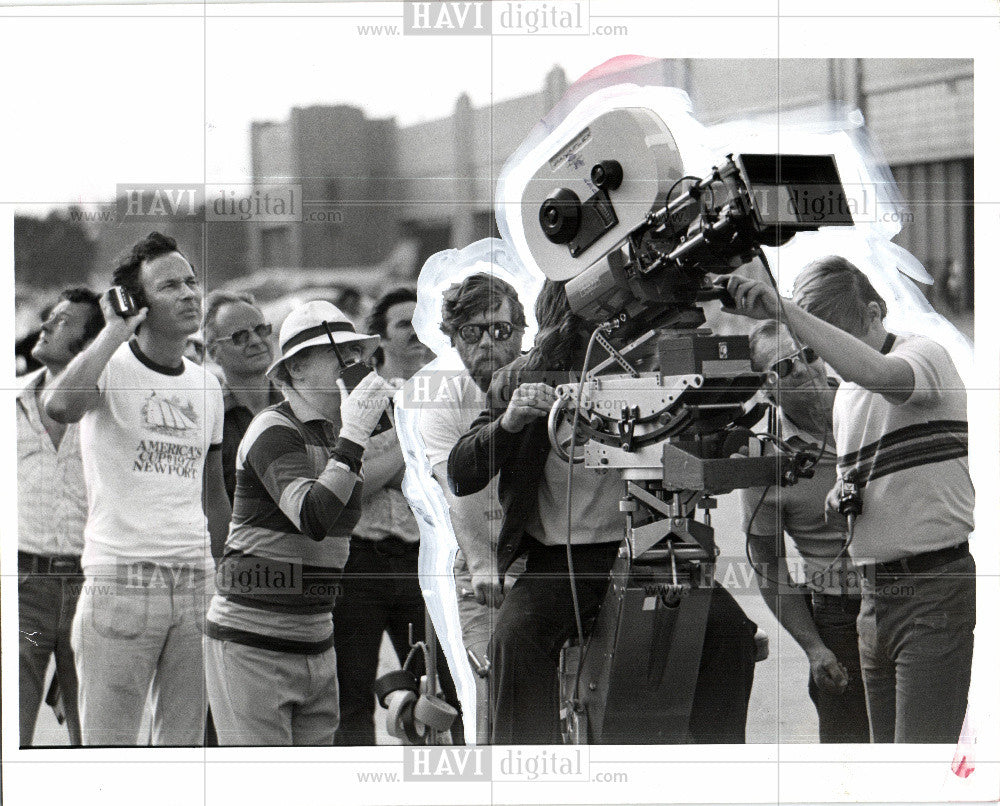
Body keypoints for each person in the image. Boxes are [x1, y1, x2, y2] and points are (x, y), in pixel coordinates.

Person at [448, 279, 758, 745]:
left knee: (730, 635)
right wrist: (510, 423)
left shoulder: (659, 366)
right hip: (564, 561)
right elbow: (462, 471)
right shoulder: (519, 378)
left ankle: (713, 769)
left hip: (649, 548)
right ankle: (524, 776)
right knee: (515, 643)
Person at [722, 256, 975, 743]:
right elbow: (773, 555)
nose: (825, 360)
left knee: (915, 767)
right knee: (876, 768)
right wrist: (841, 494)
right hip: (870, 599)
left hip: (931, 585)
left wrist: (787, 311)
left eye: (826, 342)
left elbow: (880, 374)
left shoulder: (925, 354)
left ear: (877, 311)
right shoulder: (847, 401)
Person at [43, 232, 231, 746]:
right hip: (121, 580)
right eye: (170, 285)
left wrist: (224, 571)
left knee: (184, 749)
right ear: (138, 302)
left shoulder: (208, 384)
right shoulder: (109, 367)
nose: (190, 293)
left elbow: (211, 491)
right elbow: (60, 408)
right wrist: (112, 332)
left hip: (196, 582)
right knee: (110, 751)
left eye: (191, 280)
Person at [203, 301, 395, 745]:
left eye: (357, 354)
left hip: (315, 641)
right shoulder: (273, 428)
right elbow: (314, 515)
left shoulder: (337, 435)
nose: (355, 365)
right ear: (298, 368)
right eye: (341, 355)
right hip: (252, 643)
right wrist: (355, 437)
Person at [333, 288, 463, 745]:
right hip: (361, 561)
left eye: (422, 322)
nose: (416, 333)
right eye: (404, 324)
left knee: (446, 689)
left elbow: (454, 478)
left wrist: (393, 463)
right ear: (380, 338)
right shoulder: (355, 394)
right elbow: (351, 484)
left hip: (421, 558)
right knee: (351, 696)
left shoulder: (447, 392)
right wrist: (416, 457)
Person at [412, 272, 528, 743]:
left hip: (549, 553)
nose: (487, 344)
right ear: (453, 340)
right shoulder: (443, 403)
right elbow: (456, 490)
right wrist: (483, 563)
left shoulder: (545, 380)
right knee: (493, 701)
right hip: (483, 558)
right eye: (471, 333)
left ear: (522, 332)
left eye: (500, 330)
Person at [740, 319, 869, 743]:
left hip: (909, 589)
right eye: (786, 367)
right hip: (839, 609)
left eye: (809, 354)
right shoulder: (765, 459)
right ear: (767, 387)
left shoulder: (868, 401)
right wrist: (814, 647)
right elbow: (767, 563)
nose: (805, 370)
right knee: (847, 750)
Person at [18, 288, 104, 746]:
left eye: (64, 320)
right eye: (49, 316)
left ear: (90, 341)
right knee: (10, 733)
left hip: (90, 590)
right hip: (21, 590)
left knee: (91, 740)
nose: (47, 325)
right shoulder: (9, 399)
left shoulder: (106, 405)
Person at [203, 291, 283, 504]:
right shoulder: (209, 418)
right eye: (240, 336)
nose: (256, 341)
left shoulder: (298, 406)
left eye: (261, 330)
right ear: (213, 352)